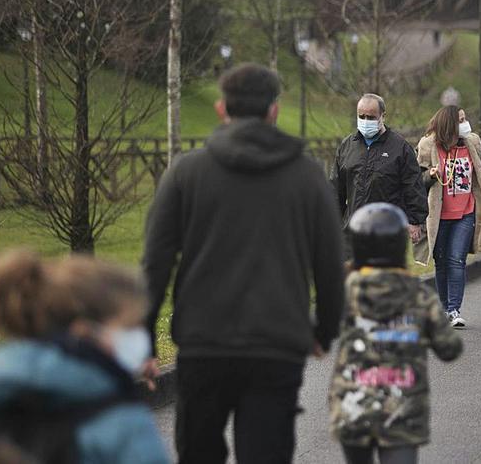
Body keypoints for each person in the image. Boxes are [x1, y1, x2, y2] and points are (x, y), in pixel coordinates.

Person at [142, 63, 345, 463]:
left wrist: (143, 340)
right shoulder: (307, 176)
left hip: (204, 341)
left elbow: (156, 261)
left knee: (198, 452)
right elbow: (330, 260)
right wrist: (324, 329)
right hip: (276, 343)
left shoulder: (186, 173)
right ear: (273, 110)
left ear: (221, 109)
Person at [0, 251, 170, 464]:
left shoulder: (1, 392)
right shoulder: (122, 425)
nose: (138, 337)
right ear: (84, 331)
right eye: (129, 327)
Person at [329, 204, 463, 464]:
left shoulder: (345, 291)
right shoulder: (419, 296)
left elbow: (323, 330)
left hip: (353, 409)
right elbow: (450, 349)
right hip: (402, 412)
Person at [416, 105, 481, 328]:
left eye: (465, 119)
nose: (465, 123)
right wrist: (430, 174)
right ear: (449, 124)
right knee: (441, 262)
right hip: (439, 215)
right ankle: (443, 309)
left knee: (456, 259)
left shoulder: (471, 145)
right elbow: (416, 181)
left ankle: (454, 309)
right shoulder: (429, 147)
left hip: (465, 213)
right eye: (460, 120)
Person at [334, 93, 428, 256]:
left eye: (371, 117)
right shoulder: (347, 146)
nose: (365, 121)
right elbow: (336, 187)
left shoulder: (400, 148)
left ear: (382, 116)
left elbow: (413, 185)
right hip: (352, 230)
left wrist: (415, 220)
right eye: (361, 116)